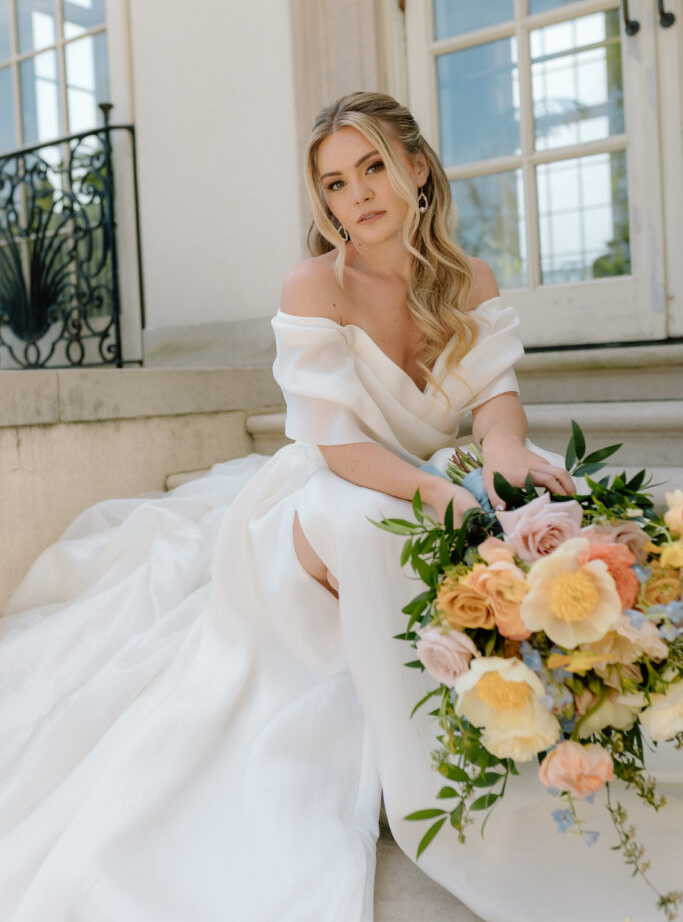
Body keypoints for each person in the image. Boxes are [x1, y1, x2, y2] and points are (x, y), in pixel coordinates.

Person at [0, 92, 679, 922]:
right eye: (332, 184)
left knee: (553, 501)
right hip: (333, 478)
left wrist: (501, 453)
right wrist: (439, 492)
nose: (354, 195)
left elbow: (496, 399)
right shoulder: (315, 283)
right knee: (366, 527)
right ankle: (417, 761)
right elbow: (333, 444)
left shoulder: (468, 278)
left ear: (416, 168)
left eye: (371, 168)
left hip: (428, 469)